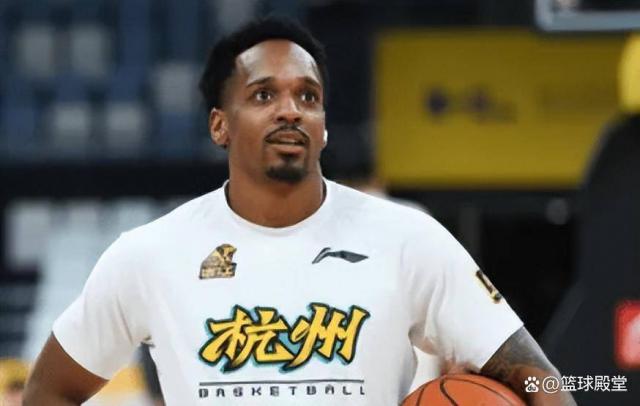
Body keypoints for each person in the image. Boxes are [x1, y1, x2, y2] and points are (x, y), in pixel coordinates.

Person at [23, 17, 576, 406]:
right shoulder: (149, 255)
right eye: (264, 95)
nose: (290, 110)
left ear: (324, 127)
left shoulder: (409, 240)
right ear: (220, 125)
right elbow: (50, 390)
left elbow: (543, 384)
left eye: (308, 97)